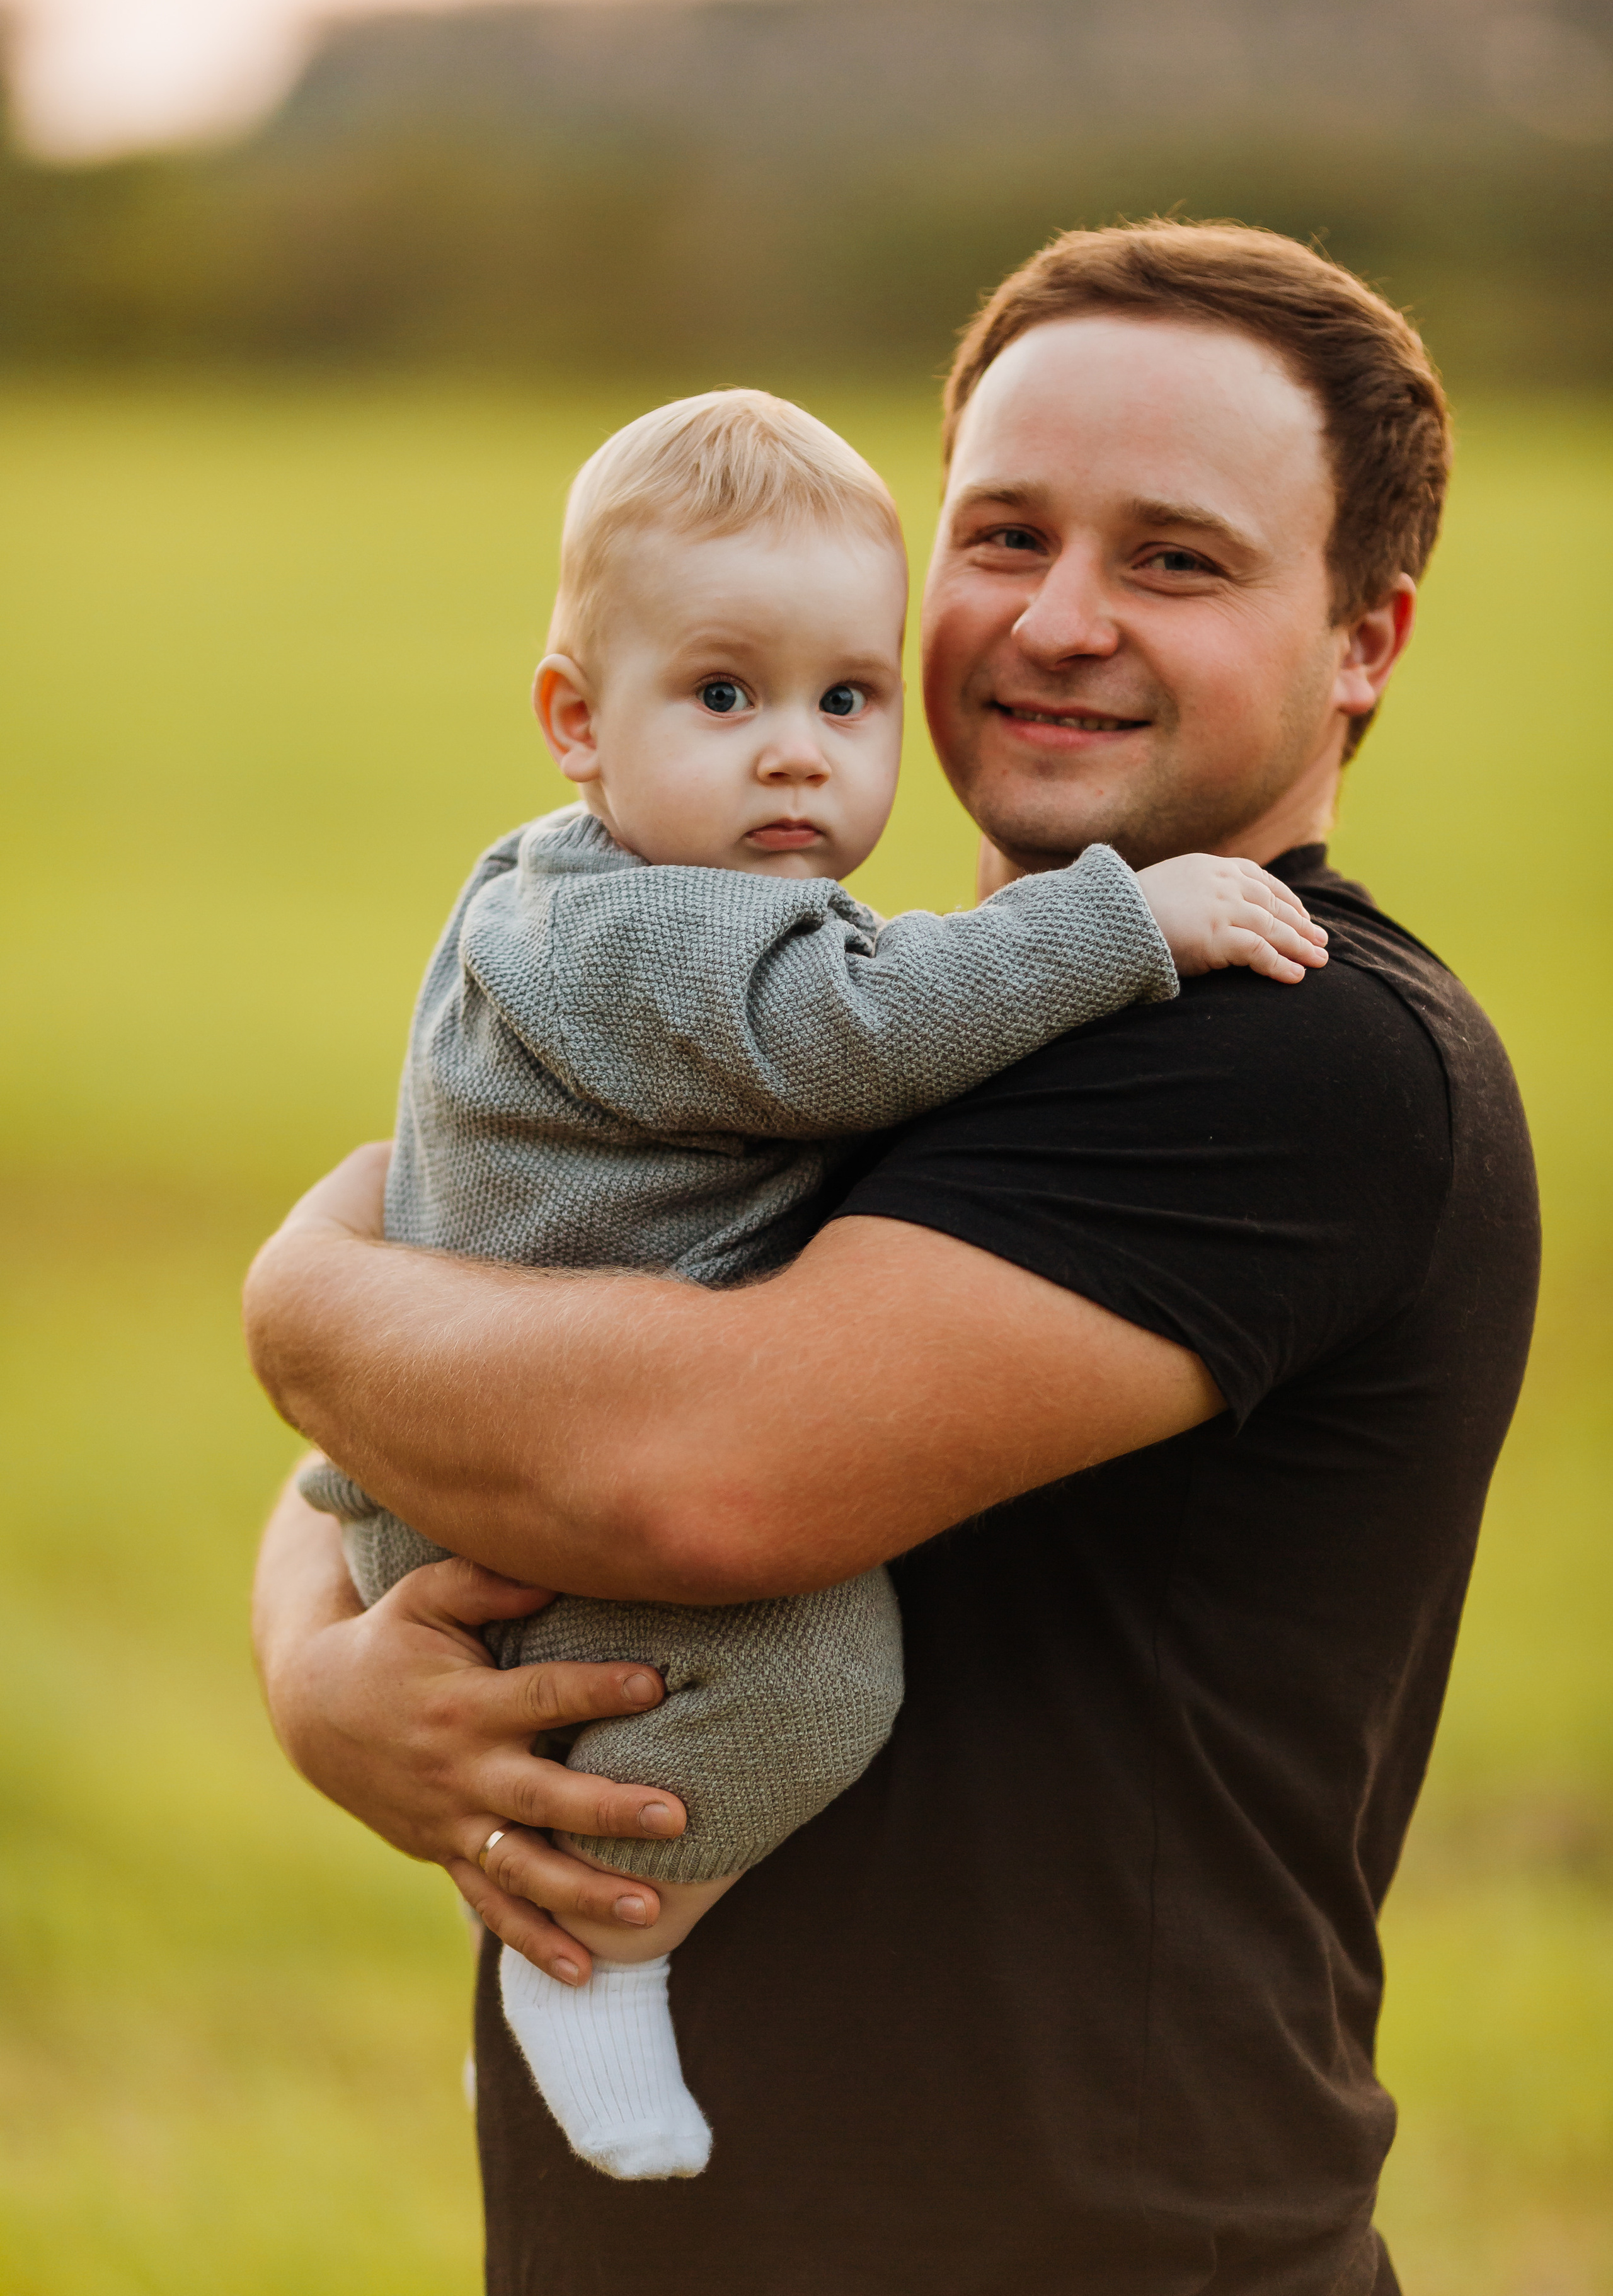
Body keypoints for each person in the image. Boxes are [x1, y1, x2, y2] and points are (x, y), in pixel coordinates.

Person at [247, 219, 1540, 2294]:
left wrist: (303, 1299)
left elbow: (686, 1471)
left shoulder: (1294, 1052)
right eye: (1005, 535)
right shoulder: (847, 1010)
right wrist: (326, 1680)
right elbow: (443, 1408)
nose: (1061, 619)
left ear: (1366, 640)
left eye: (1178, 560)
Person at [292, 382, 1321, 2180]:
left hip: (464, 1452)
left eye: (843, 701)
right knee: (821, 1678)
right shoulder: (667, 930)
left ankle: (553, 1953)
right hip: (549, 1505)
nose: (797, 753)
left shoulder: (554, 890)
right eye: (724, 695)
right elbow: (844, 1033)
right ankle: (597, 1955)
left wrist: (303, 1311)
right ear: (573, 721)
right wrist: (1119, 919)